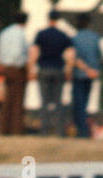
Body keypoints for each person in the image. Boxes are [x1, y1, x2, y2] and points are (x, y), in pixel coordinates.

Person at [30, 10, 74, 138]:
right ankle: (60, 131)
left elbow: (34, 52)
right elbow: (70, 55)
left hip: (43, 69)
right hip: (58, 70)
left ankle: (44, 131)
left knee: (44, 101)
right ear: (58, 19)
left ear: (48, 18)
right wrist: (69, 71)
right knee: (58, 102)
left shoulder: (41, 34)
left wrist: (32, 69)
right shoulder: (63, 35)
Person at [0, 12, 29, 135]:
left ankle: (4, 128)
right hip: (17, 68)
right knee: (18, 100)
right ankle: (16, 129)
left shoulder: (4, 33)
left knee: (7, 99)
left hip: (5, 67)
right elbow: (19, 54)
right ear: (25, 22)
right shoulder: (21, 34)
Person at [70, 13, 102, 139]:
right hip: (91, 75)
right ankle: (84, 130)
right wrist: (92, 70)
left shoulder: (75, 38)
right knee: (85, 102)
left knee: (79, 103)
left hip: (78, 74)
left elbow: (74, 58)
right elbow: (99, 55)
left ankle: (81, 130)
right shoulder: (95, 37)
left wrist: (85, 69)